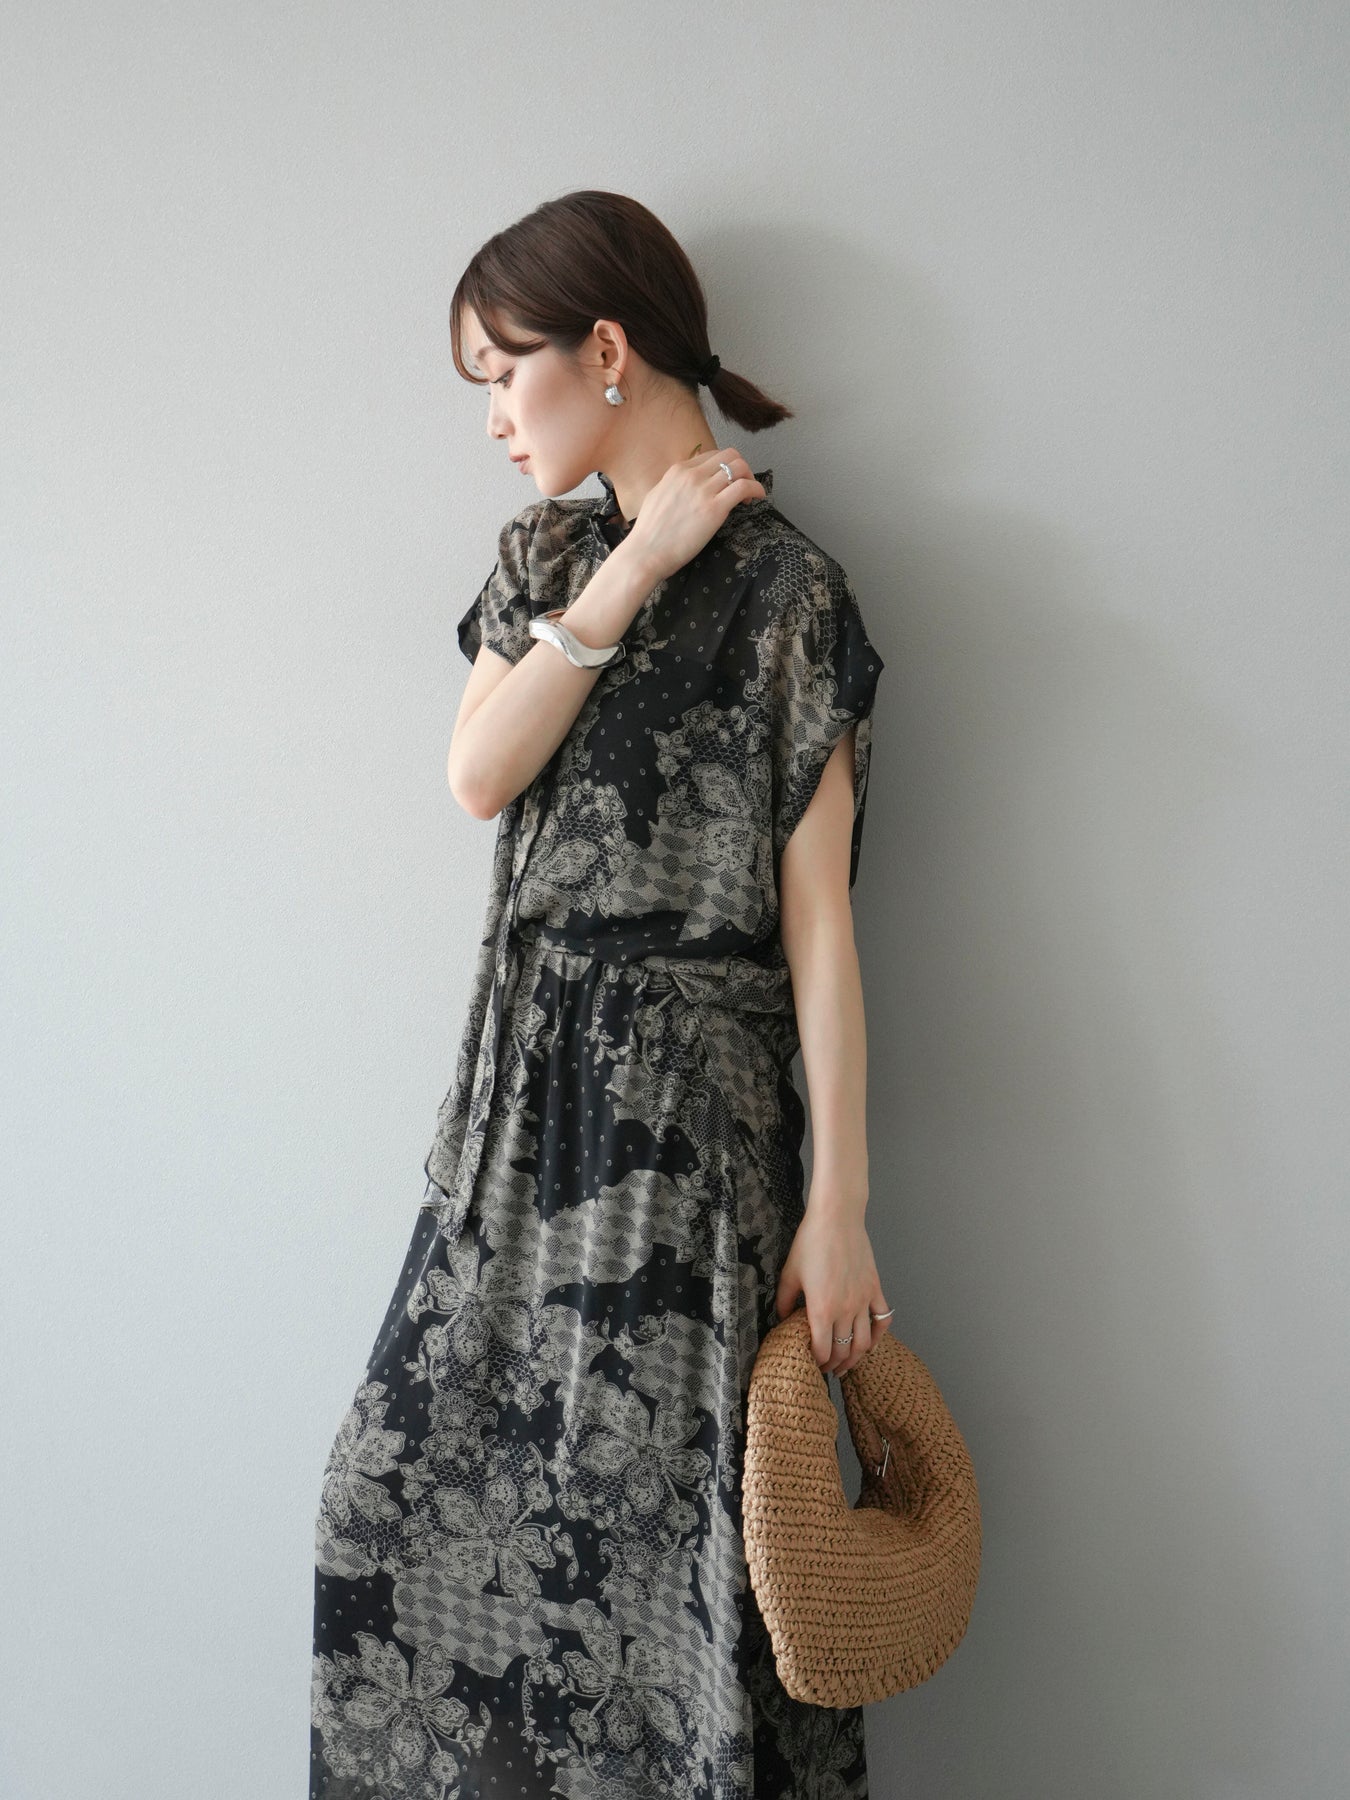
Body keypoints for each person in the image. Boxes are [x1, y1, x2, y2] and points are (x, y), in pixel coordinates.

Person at [310, 189, 890, 1799]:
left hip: (689, 1147)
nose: (496, 418)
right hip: (515, 1116)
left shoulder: (792, 601)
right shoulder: (551, 557)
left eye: (506, 373)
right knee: (386, 1522)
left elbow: (820, 932)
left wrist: (840, 1206)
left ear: (607, 351)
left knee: (665, 1584)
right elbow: (478, 777)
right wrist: (636, 561)